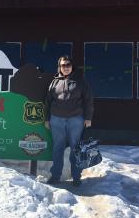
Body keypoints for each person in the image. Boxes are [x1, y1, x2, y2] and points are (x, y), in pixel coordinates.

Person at [44, 55, 93, 187]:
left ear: (72, 66)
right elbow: (48, 101)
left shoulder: (81, 81)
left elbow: (88, 100)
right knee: (57, 148)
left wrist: (88, 118)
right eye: (63, 65)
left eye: (68, 65)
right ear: (59, 67)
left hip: (75, 120)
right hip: (56, 119)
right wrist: (47, 118)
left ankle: (76, 177)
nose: (66, 68)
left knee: (75, 149)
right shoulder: (54, 82)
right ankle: (55, 176)